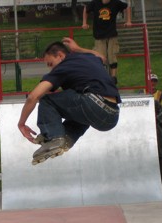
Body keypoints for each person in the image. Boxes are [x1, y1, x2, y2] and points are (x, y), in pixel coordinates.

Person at [18, 37, 121, 165]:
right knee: (78, 109)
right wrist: (78, 49)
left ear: (60, 56)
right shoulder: (90, 58)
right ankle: (67, 138)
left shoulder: (62, 67)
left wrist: (21, 124)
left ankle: (55, 138)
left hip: (93, 104)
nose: (51, 69)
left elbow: (33, 97)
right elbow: (102, 57)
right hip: (112, 116)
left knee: (47, 100)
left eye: (50, 64)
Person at [82, 0, 132, 84]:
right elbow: (86, 9)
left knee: (112, 55)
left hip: (111, 34)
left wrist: (128, 21)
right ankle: (102, 77)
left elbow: (127, 7)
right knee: (101, 57)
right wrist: (84, 23)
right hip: (99, 35)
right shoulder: (95, 3)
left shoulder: (115, 3)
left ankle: (113, 77)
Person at [147, 73, 162, 171]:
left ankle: (160, 172)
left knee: (159, 150)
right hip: (146, 124)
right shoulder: (142, 91)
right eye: (151, 81)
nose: (152, 83)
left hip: (157, 123)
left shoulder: (160, 94)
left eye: (154, 81)